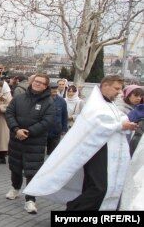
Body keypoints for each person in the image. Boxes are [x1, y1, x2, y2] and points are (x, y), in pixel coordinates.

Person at [24, 75, 138, 211]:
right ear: (105, 86)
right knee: (99, 188)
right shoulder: (95, 104)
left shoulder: (109, 103)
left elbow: (116, 120)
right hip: (94, 151)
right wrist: (120, 126)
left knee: (96, 187)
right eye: (116, 88)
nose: (119, 92)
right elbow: (96, 124)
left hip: (106, 151)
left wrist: (125, 125)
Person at [5, 73, 55, 214]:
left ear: (46, 86)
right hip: (16, 139)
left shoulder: (49, 102)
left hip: (35, 142)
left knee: (32, 171)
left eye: (41, 83)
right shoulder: (19, 98)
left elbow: (47, 121)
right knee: (15, 166)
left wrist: (28, 132)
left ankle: (30, 200)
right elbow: (9, 113)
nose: (37, 84)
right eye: (36, 81)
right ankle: (15, 188)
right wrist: (16, 129)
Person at [47, 84, 68, 155]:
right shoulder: (44, 99)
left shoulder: (62, 101)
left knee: (53, 153)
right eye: (52, 88)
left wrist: (64, 129)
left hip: (56, 131)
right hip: (44, 131)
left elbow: (64, 115)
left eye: (56, 88)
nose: (54, 90)